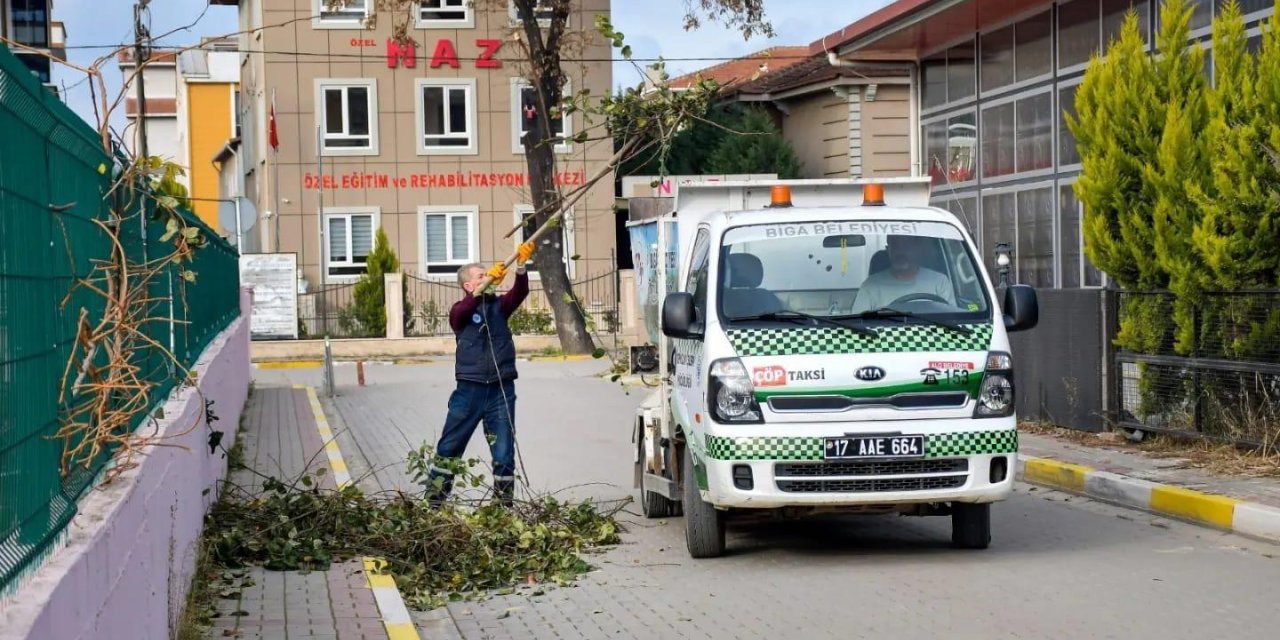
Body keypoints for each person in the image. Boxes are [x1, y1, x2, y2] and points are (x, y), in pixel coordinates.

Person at [425, 241, 536, 508]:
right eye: (481, 276)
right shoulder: (460, 312)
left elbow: (520, 292)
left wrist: (521, 266)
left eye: (489, 274)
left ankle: (502, 509)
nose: (489, 277)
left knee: (504, 452)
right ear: (468, 285)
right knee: (449, 447)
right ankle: (433, 503)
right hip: (469, 392)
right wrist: (481, 289)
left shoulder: (499, 307)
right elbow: (463, 311)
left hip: (501, 391)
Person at [850, 234, 955, 313]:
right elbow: (857, 325)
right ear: (888, 249)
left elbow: (952, 321)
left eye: (906, 246)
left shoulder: (939, 282)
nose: (899, 252)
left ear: (917, 249)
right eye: (895, 246)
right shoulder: (870, 286)